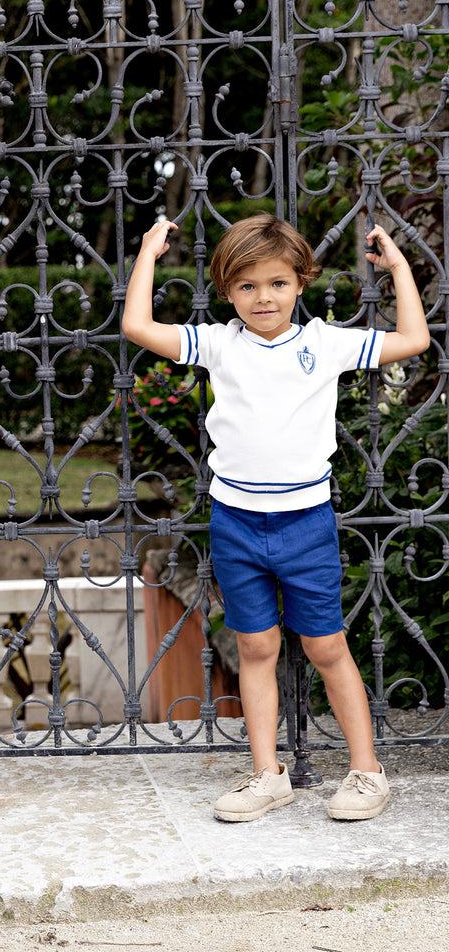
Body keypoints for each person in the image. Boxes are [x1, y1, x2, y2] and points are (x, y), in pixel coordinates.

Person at [123, 213, 429, 822]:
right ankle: (267, 775)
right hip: (236, 522)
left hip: (305, 522)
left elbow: (413, 340)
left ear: (300, 282)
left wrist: (398, 269)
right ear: (228, 292)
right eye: (247, 286)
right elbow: (137, 325)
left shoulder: (326, 342)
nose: (263, 298)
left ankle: (366, 771)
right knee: (256, 645)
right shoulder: (218, 342)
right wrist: (149, 253)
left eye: (277, 284)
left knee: (326, 646)